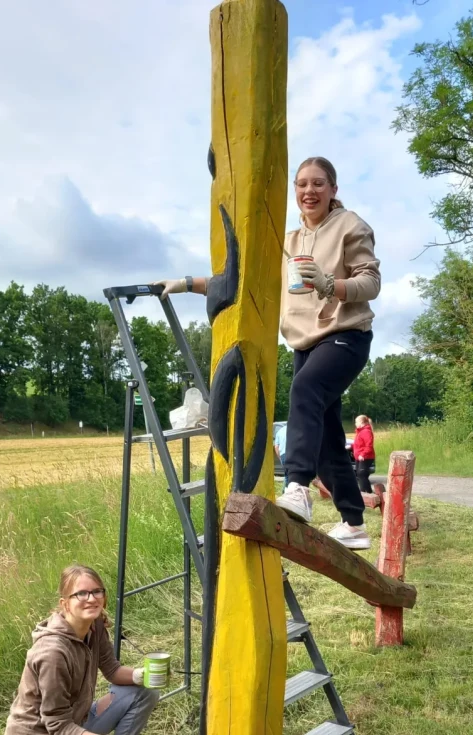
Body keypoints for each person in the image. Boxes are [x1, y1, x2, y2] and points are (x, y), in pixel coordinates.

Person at [156, 156, 380, 550]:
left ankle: (296, 486)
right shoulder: (287, 242)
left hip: (346, 336)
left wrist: (331, 285)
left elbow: (371, 281)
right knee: (327, 436)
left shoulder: (350, 226)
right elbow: (243, 282)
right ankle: (353, 523)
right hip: (305, 343)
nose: (309, 191)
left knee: (305, 391)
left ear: (333, 190)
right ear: (295, 190)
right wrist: (188, 282)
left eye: (318, 184)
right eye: (302, 184)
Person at [4, 564, 160, 735]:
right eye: (81, 594)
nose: (92, 598)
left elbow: (111, 670)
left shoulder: (94, 625)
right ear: (65, 603)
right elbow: (57, 724)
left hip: (73, 723)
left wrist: (143, 675)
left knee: (145, 692)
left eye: (97, 591)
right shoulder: (52, 653)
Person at [352, 414, 376, 493]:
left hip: (366, 457)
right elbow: (358, 444)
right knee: (360, 475)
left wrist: (363, 454)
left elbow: (369, 445)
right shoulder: (360, 432)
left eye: (356, 422)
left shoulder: (366, 432)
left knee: (361, 474)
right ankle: (366, 491)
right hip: (359, 457)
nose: (355, 424)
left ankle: (365, 492)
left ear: (361, 422)